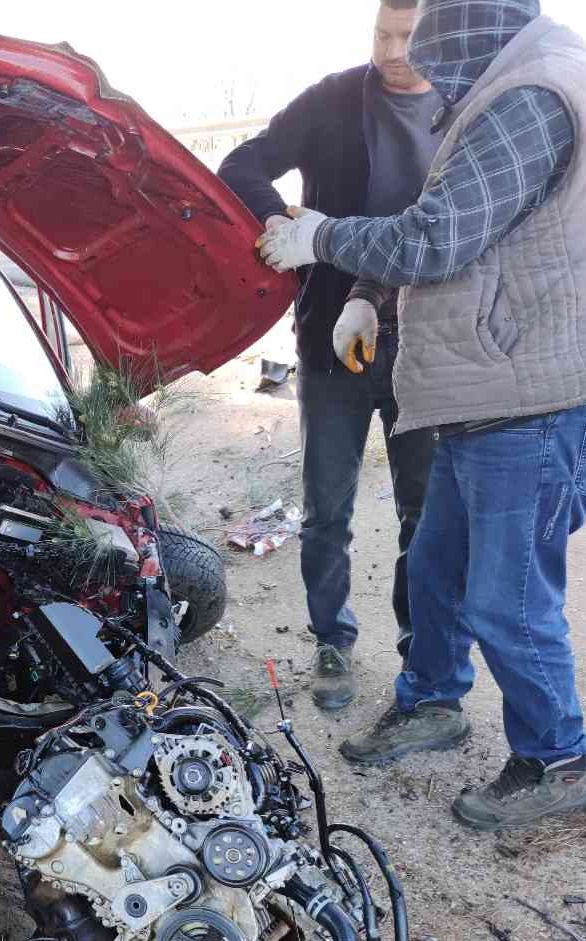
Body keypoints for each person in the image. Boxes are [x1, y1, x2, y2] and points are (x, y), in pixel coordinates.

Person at [257, 0, 586, 832]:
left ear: (465, 34)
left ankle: (556, 759)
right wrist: (369, 298)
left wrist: (323, 240)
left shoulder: (530, 99)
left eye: (432, 53)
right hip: (495, 398)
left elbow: (436, 239)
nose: (423, 70)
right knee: (437, 569)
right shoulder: (513, 85)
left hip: (545, 404)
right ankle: (433, 701)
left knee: (506, 601)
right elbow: (462, 224)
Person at [219, 0, 444, 713]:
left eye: (409, 37)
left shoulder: (468, 105)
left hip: (430, 343)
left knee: (426, 513)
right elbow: (241, 164)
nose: (393, 49)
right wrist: (280, 220)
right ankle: (331, 644)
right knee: (326, 512)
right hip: (329, 338)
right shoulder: (333, 99)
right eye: (383, 33)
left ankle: (424, 656)